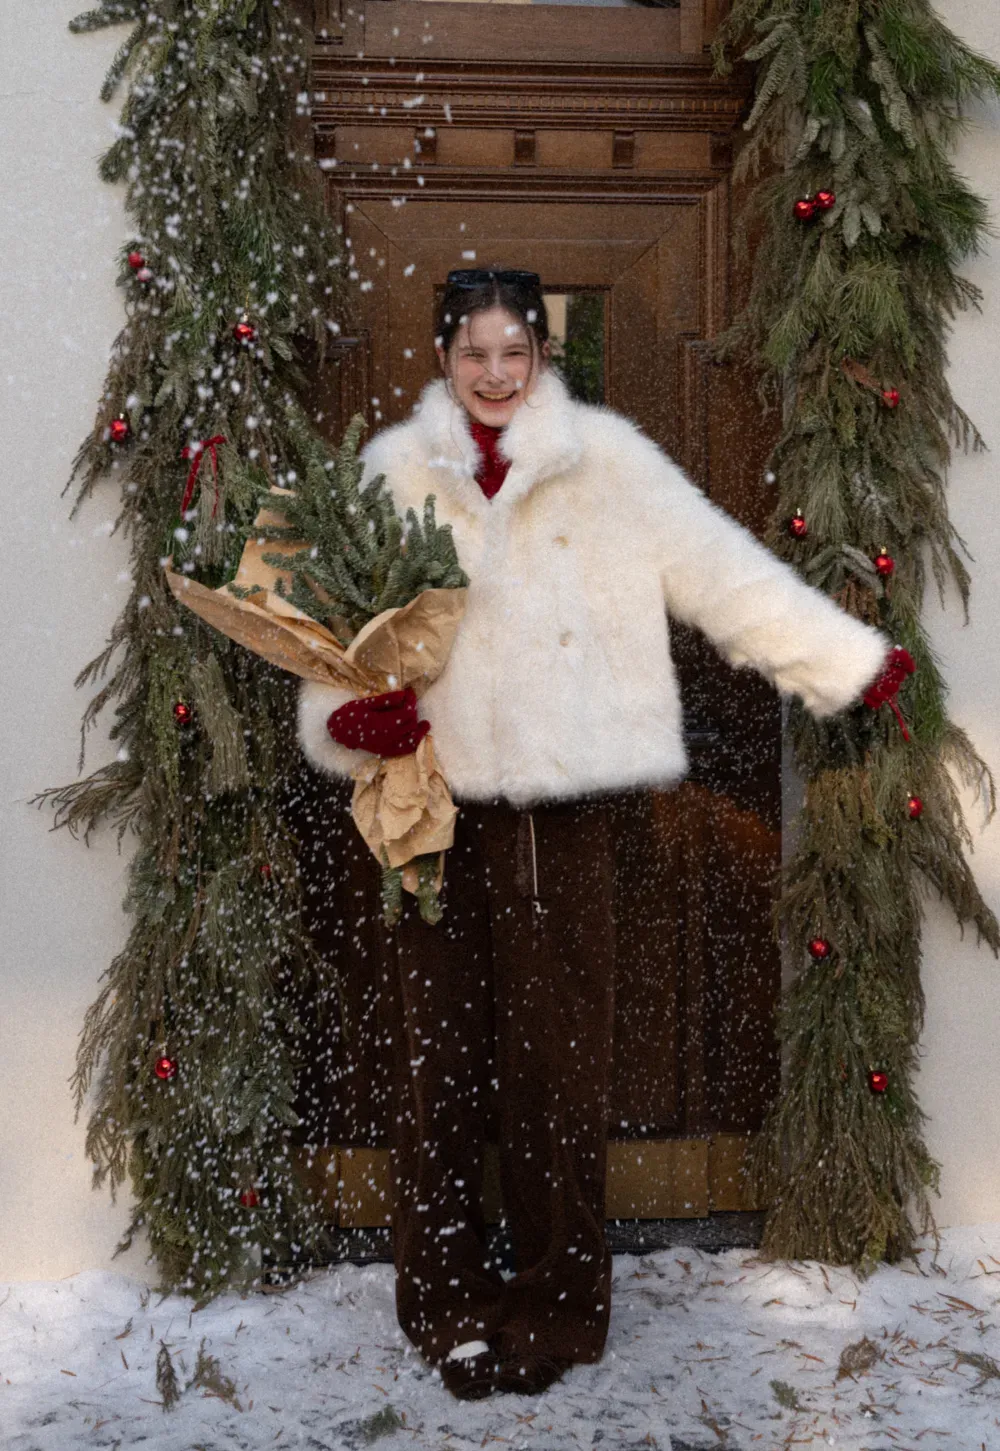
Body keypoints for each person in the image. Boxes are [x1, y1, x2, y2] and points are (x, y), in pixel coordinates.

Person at [297, 267, 896, 1399]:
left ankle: (559, 1308)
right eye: (472, 351)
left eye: (512, 350)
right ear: (442, 356)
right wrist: (349, 719)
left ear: (539, 355)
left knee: (557, 1074)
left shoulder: (608, 463)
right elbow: (329, 629)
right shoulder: (391, 471)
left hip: (562, 823)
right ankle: (446, 1304)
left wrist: (845, 665)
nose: (492, 372)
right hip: (425, 813)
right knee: (438, 1072)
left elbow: (722, 573)